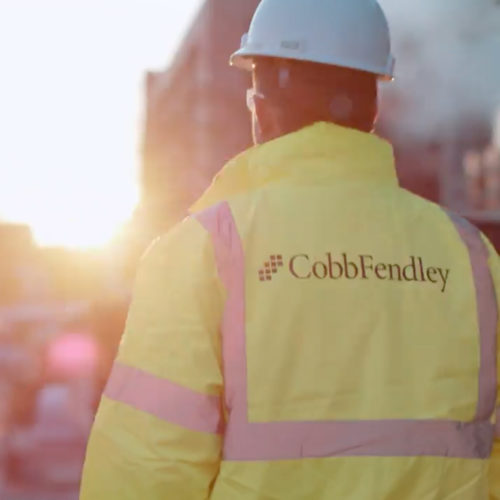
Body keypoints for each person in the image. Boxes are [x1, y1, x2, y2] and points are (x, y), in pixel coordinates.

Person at [80, 0, 500, 498]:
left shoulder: (202, 252)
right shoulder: (471, 256)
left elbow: (146, 469)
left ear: (258, 107)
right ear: (375, 105)